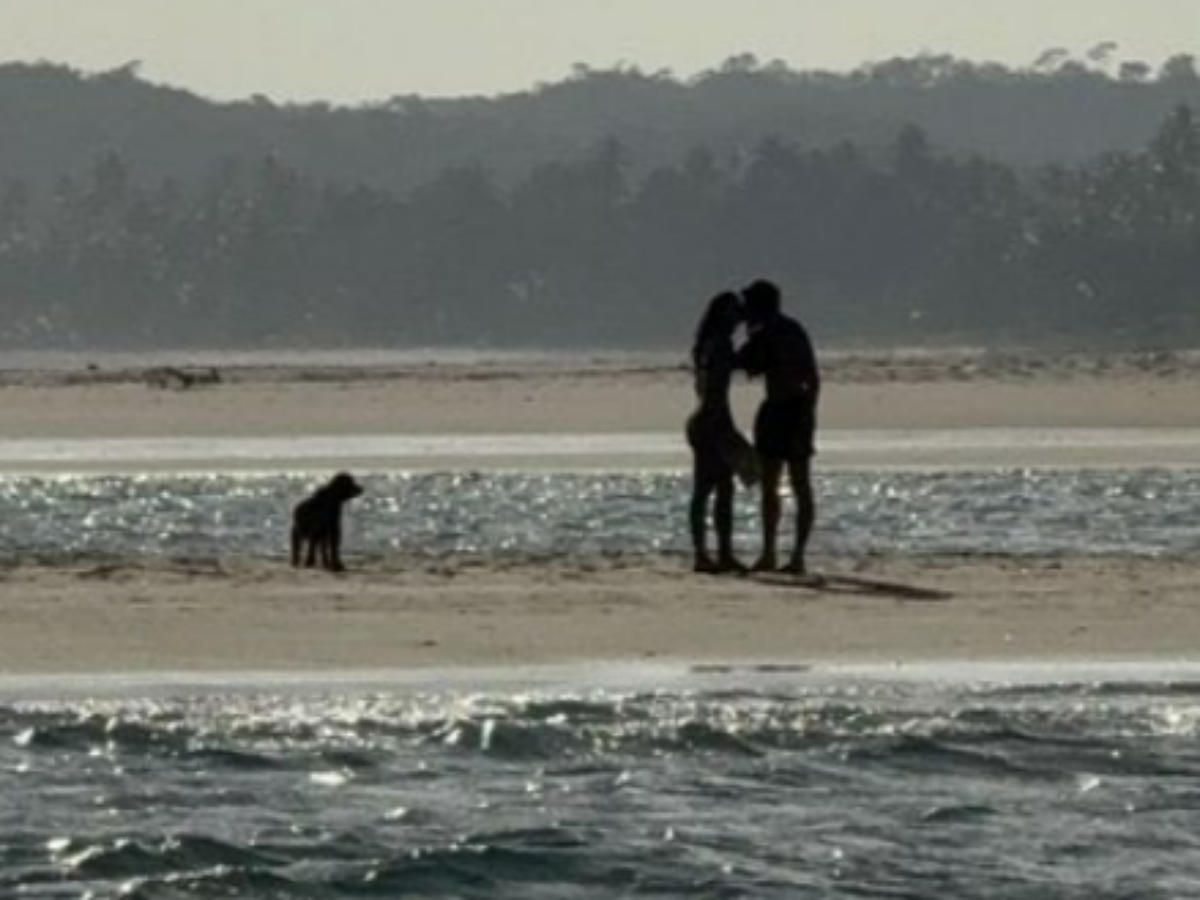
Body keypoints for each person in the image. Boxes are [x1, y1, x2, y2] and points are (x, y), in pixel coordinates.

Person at [735, 279, 820, 575]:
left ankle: (787, 554)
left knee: (790, 483)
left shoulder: (776, 332)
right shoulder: (783, 331)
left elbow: (742, 362)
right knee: (782, 484)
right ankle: (780, 553)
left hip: (788, 409)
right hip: (787, 408)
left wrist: (807, 412)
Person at [686, 291, 760, 574]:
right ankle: (717, 553)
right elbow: (717, 393)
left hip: (702, 420)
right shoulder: (721, 345)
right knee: (720, 488)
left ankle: (705, 552)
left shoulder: (703, 345)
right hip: (713, 421)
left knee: (707, 489)